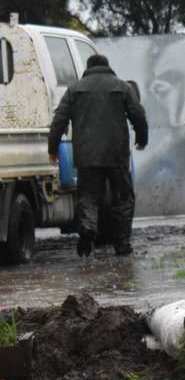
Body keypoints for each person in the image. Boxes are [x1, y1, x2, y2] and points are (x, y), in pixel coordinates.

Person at [49, 54, 148, 257]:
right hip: (116, 154)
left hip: (86, 156)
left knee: (88, 197)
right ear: (107, 66)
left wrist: (53, 148)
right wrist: (141, 139)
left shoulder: (74, 89)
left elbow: (59, 119)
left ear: (88, 68)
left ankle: (88, 227)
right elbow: (138, 114)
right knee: (123, 198)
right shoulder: (122, 87)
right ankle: (122, 244)